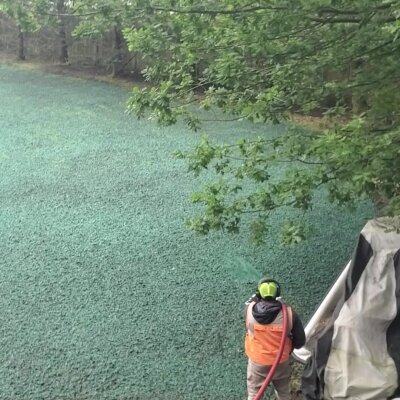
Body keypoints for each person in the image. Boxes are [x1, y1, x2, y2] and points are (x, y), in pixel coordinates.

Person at [245, 278, 305, 400]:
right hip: (280, 362)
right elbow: (300, 343)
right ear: (277, 293)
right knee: (284, 393)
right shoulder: (289, 314)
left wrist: (255, 299)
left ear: (259, 293)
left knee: (254, 394)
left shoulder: (248, 311)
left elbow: (248, 305)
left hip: (258, 362)